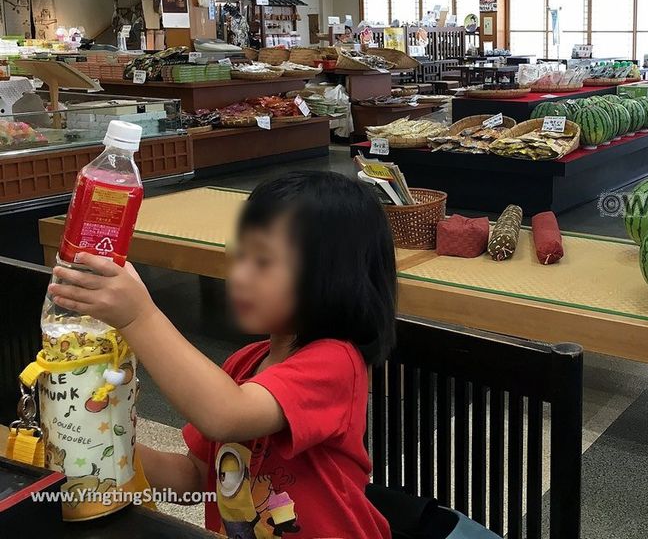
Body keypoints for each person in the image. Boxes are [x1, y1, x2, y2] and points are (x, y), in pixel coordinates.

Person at [48, 172, 397, 539]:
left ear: (333, 277)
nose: (240, 277)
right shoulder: (244, 364)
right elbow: (194, 478)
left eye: (262, 261)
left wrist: (139, 315)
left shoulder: (335, 363)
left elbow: (225, 415)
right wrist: (106, 444)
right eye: (239, 255)